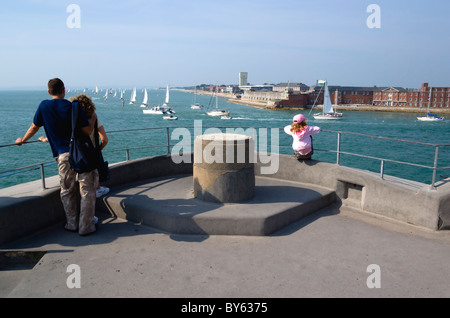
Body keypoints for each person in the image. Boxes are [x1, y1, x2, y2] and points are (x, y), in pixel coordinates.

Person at [15, 78, 98, 236]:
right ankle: (86, 227)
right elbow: (87, 132)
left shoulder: (44, 106)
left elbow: (34, 127)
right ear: (64, 90)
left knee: (67, 191)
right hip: (80, 155)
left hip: (63, 157)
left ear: (49, 91)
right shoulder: (73, 107)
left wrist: (22, 140)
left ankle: (71, 224)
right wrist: (92, 119)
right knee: (86, 191)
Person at [69, 94, 110, 198]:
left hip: (74, 153)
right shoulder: (94, 119)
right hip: (90, 155)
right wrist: (98, 149)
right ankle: (97, 191)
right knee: (89, 183)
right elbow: (104, 140)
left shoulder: (72, 120)